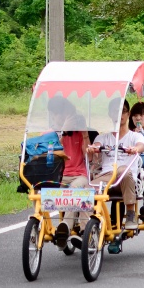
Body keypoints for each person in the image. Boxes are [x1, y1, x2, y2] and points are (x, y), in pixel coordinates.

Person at [87, 99, 144, 230]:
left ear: (128, 113)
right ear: (110, 114)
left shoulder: (135, 136)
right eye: (115, 112)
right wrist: (94, 148)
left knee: (123, 170)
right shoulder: (103, 138)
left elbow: (140, 145)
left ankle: (130, 213)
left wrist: (136, 149)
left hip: (126, 178)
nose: (119, 115)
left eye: (123, 111)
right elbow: (96, 145)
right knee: (87, 186)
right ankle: (85, 222)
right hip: (107, 178)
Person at [48, 96, 90, 249]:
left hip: (79, 174)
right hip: (59, 175)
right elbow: (51, 153)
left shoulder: (79, 133)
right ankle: (42, 226)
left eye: (68, 114)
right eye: (60, 114)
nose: (64, 117)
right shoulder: (51, 134)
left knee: (74, 190)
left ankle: (65, 226)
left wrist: (85, 133)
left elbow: (89, 156)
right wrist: (63, 130)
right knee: (40, 190)